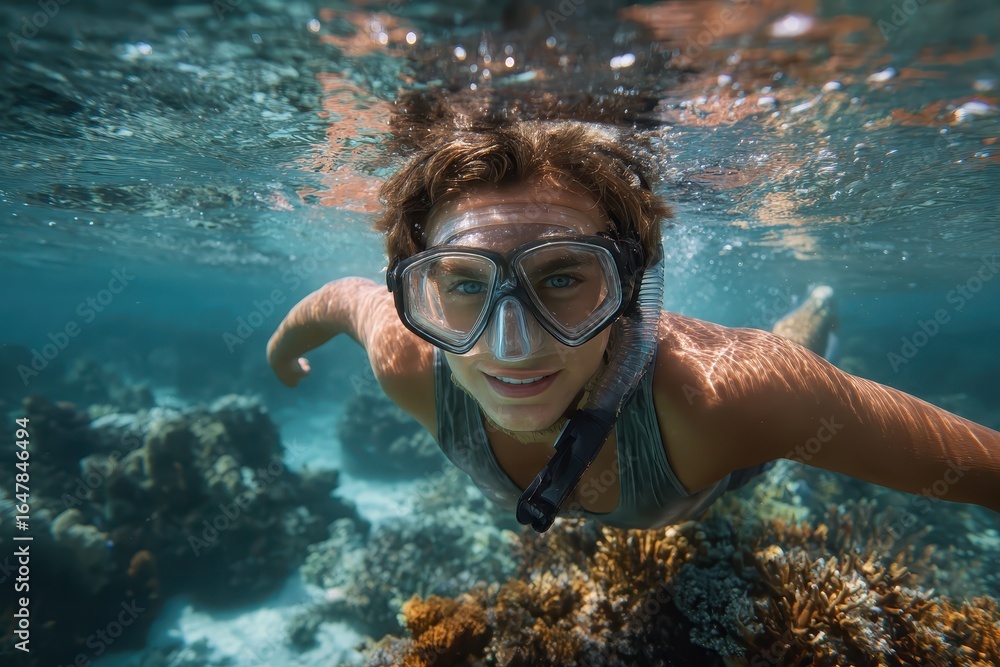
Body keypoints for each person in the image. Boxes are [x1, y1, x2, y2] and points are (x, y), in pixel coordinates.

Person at [267, 118, 999, 532]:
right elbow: (339, 299)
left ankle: (819, 303)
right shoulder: (406, 357)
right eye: (462, 283)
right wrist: (282, 351)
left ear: (631, 287)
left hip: (731, 462)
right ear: (419, 290)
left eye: (562, 276)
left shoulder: (735, 397)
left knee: (796, 339)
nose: (512, 346)